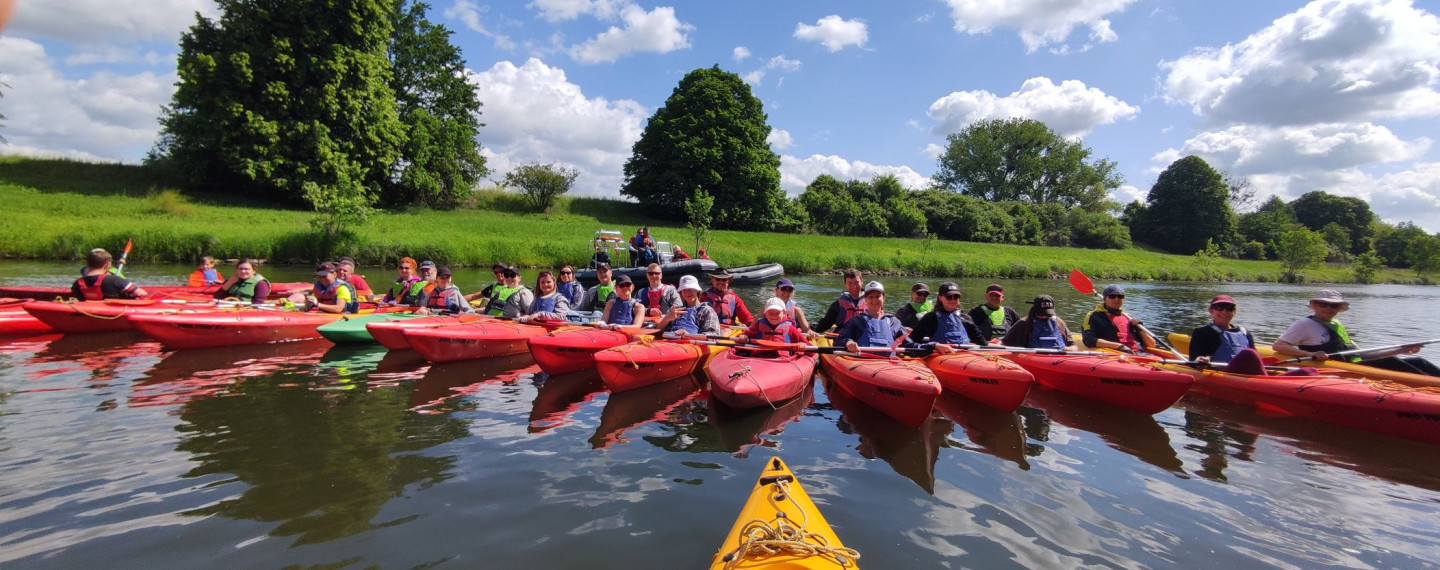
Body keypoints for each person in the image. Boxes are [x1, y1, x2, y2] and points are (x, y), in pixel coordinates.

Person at [1272, 290, 1435, 375]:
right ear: (1314, 305)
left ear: (1339, 308)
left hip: (1355, 363)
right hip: (1342, 368)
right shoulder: (1304, 324)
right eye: (1323, 304)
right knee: (1391, 362)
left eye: (1334, 306)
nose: (1328, 308)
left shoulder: (1336, 324)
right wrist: (1309, 353)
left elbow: (1361, 354)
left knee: (1419, 361)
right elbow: (1279, 346)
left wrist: (1401, 350)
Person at [839, 281, 918, 353]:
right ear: (865, 300)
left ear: (883, 298)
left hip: (890, 364)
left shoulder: (893, 322)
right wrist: (848, 342)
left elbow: (909, 344)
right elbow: (840, 340)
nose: (874, 300)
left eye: (877, 296)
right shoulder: (857, 321)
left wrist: (928, 347)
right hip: (864, 362)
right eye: (871, 297)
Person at [1081, 284, 1156, 354]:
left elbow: (1152, 345)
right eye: (1112, 296)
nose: (1116, 299)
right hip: (1114, 355)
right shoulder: (1094, 315)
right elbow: (1089, 340)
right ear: (1105, 298)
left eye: (1120, 296)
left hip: (1139, 355)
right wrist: (1119, 346)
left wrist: (1140, 328)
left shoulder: (1128, 317)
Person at [913, 282, 985, 351]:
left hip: (965, 355)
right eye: (949, 297)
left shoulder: (966, 318)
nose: (953, 300)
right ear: (940, 298)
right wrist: (933, 346)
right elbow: (912, 341)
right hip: (940, 356)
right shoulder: (930, 318)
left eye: (956, 297)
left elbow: (982, 342)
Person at [1187, 295, 1256, 365]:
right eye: (1219, 308)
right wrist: (1200, 360)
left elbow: (1255, 359)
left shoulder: (1245, 332)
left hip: (1244, 372)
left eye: (1229, 308)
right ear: (1211, 311)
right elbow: (1193, 360)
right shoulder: (1201, 333)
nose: (1224, 312)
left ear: (1234, 312)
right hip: (1218, 372)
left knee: (1250, 353)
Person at [1001, 294, 1077, 350]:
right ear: (1035, 310)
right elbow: (1004, 343)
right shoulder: (1023, 323)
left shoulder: (1059, 323)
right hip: (1033, 359)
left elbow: (1074, 345)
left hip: (1058, 359)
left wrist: (1069, 349)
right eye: (1043, 313)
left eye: (1048, 314)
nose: (1045, 316)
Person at [655, 275, 722, 336]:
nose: (687, 293)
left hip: (692, 345)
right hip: (671, 344)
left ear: (697, 290)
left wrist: (688, 335)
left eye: (690, 289)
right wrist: (666, 319)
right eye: (684, 290)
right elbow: (656, 332)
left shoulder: (706, 310)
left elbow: (713, 335)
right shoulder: (675, 310)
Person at [72, 248, 147, 300]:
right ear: (107, 265)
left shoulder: (77, 284)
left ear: (87, 264)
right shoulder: (114, 280)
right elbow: (142, 294)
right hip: (116, 315)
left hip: (91, 315)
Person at [735, 298, 808, 346]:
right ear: (765, 314)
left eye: (777, 313)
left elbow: (808, 345)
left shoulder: (790, 329)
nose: (773, 316)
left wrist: (802, 346)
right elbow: (740, 337)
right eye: (770, 313)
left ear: (784, 313)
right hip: (759, 357)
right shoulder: (758, 326)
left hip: (782, 361)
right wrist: (742, 337)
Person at [813, 268, 864, 333]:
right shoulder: (837, 305)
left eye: (856, 282)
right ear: (845, 284)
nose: (853, 286)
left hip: (864, 338)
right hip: (844, 338)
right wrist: (810, 329)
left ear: (862, 282)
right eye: (850, 283)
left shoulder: (872, 301)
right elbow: (825, 324)